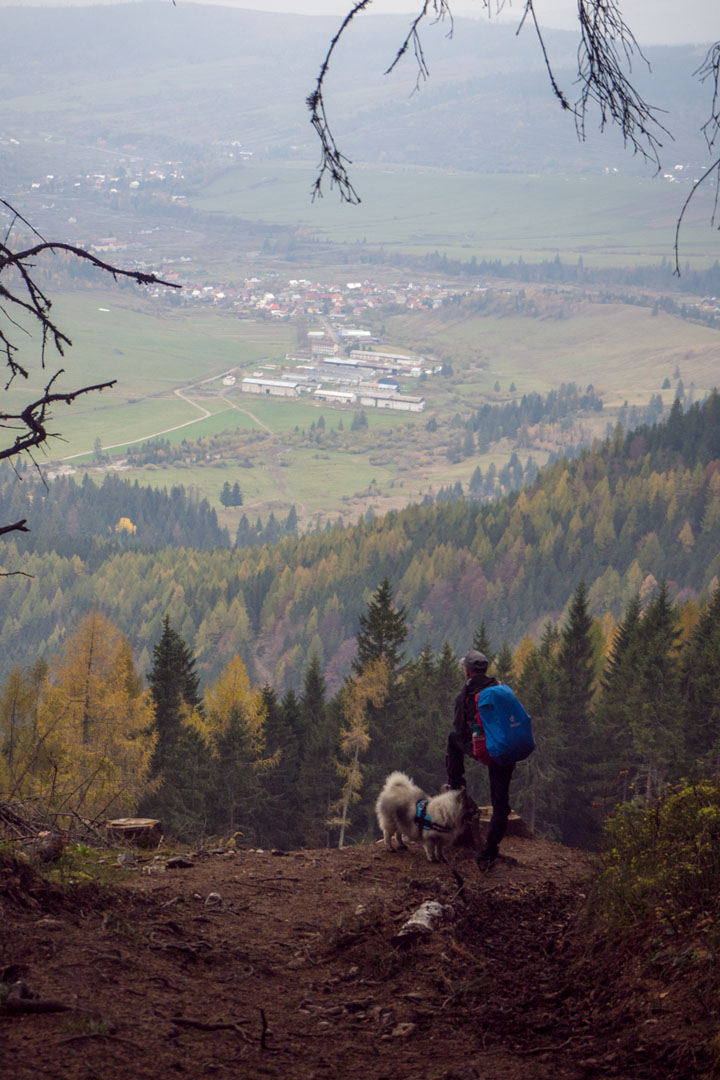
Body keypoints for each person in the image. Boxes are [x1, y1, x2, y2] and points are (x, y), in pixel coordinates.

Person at [445, 649, 515, 872]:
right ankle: (489, 853)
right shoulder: (500, 688)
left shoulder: (466, 695)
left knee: (452, 739)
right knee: (500, 804)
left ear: (466, 671)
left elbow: (459, 727)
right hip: (507, 749)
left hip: (485, 749)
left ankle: (456, 785)